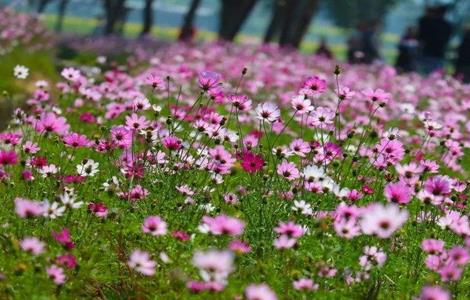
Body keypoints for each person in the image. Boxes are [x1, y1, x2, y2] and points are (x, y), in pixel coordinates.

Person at [417, 5, 453, 74]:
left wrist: (427, 15)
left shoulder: (428, 22)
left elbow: (420, 36)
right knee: (434, 76)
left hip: (426, 52)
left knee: (421, 75)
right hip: (438, 54)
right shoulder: (448, 26)